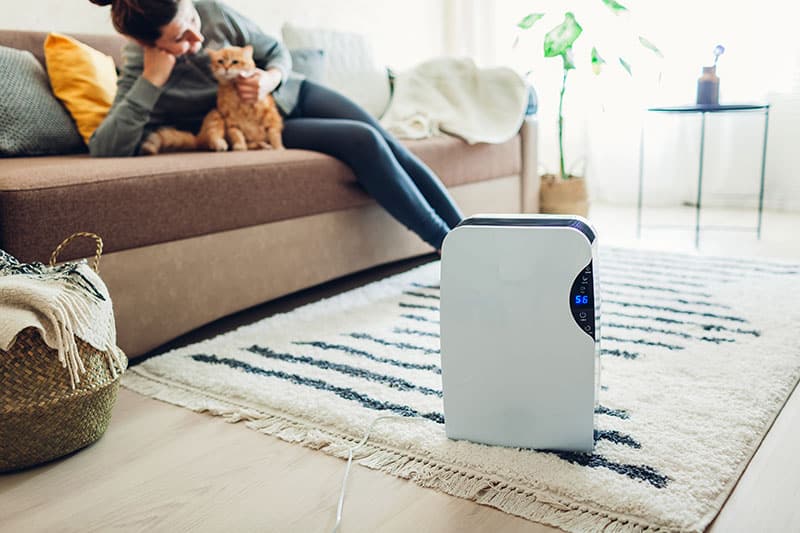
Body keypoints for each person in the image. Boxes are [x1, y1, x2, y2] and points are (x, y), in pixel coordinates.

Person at [88, 0, 462, 252]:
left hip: (294, 94)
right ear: (149, 44)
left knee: (388, 140)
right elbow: (105, 148)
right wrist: (152, 81)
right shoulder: (142, 65)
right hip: (263, 129)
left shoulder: (212, 10)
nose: (197, 38)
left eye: (192, 21)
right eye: (180, 38)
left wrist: (269, 79)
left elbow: (274, 52)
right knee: (363, 140)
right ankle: (447, 247)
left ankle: (472, 238)